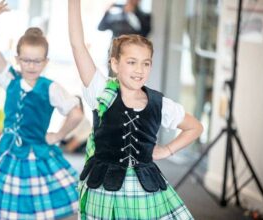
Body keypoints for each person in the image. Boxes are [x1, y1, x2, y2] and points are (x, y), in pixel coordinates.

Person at [68, 0, 203, 219]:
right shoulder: (101, 91)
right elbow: (77, 45)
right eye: (131, 62)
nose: (139, 70)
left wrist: (167, 150)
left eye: (146, 63)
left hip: (143, 188)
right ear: (115, 64)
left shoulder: (159, 103)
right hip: (103, 186)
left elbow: (195, 127)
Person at [0, 1, 83, 219]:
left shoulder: (50, 88)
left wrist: (58, 135)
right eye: (26, 60)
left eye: (37, 61)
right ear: (17, 59)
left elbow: (76, 113)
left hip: (35, 151)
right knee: (10, 200)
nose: (31, 65)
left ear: (46, 61)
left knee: (36, 202)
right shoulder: (10, 79)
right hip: (8, 150)